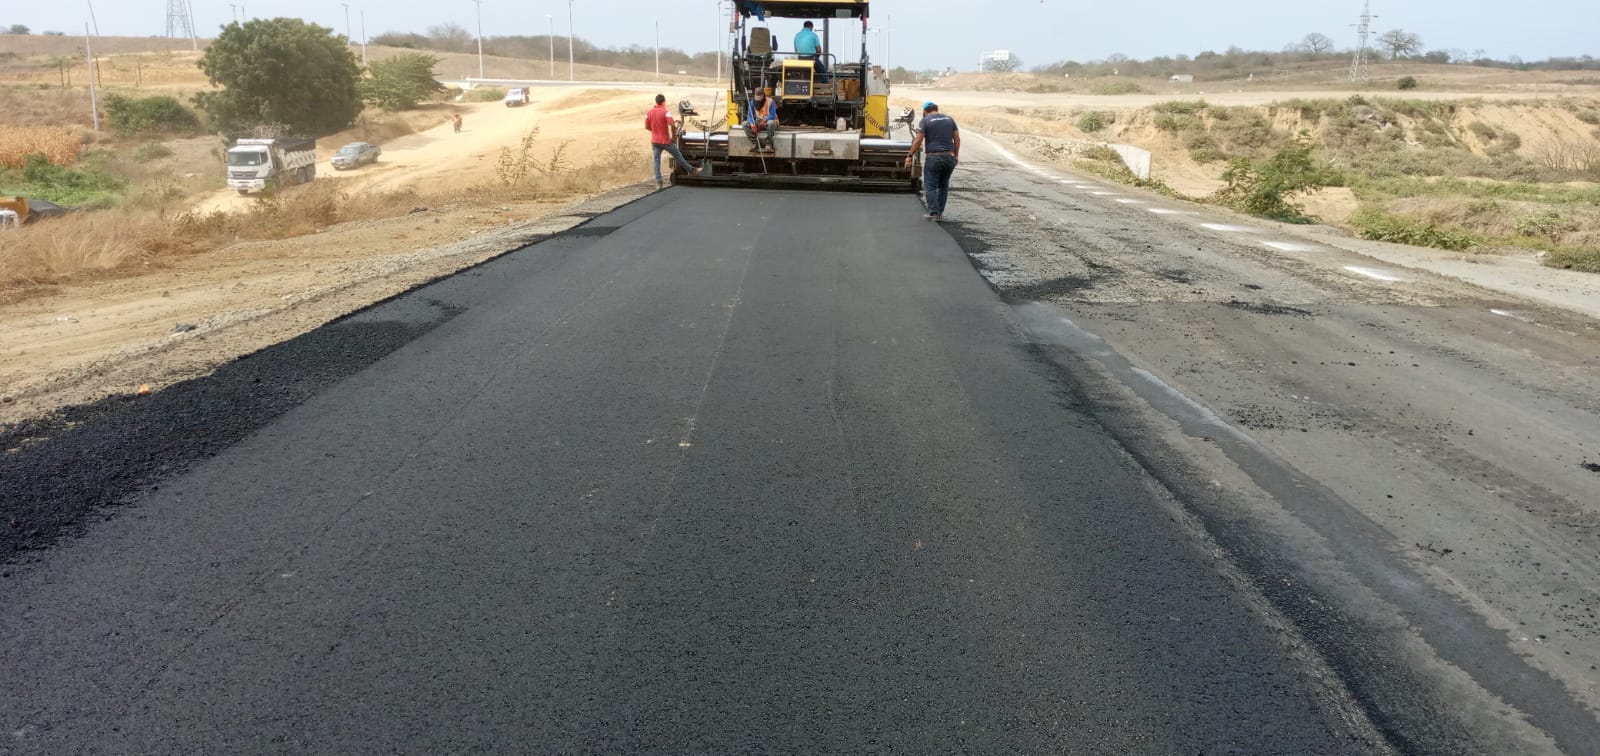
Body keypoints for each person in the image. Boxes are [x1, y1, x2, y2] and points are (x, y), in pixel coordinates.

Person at [905, 101, 960, 221]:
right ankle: (939, 213)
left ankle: (933, 212)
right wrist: (956, 155)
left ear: (925, 111)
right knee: (943, 185)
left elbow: (918, 140)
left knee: (930, 185)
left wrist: (910, 155)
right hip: (949, 157)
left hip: (934, 157)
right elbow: (957, 138)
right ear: (936, 109)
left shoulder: (926, 120)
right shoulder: (949, 119)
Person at [645, 93, 698, 186]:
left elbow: (647, 127)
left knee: (656, 161)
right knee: (678, 155)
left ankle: (659, 182)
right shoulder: (666, 112)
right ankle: (690, 170)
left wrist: (655, 132)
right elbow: (672, 124)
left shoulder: (649, 112)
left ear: (656, 102)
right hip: (665, 141)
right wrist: (673, 136)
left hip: (654, 141)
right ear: (664, 102)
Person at [744, 88, 778, 152]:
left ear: (763, 95)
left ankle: (769, 143)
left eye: (760, 98)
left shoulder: (770, 101)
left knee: (770, 123)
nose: (759, 100)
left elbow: (772, 115)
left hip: (769, 121)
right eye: (757, 98)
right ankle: (755, 143)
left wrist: (765, 120)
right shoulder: (752, 102)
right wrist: (752, 124)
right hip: (758, 121)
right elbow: (749, 115)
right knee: (745, 124)